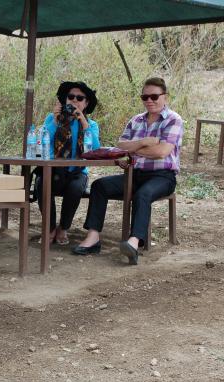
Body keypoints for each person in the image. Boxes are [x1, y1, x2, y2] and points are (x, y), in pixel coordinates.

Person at [72, 77, 183, 265]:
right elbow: (121, 145)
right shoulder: (136, 120)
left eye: (154, 96)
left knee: (143, 194)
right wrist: (144, 142)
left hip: (162, 176)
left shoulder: (173, 119)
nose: (150, 100)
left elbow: (161, 152)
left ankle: (133, 243)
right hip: (134, 174)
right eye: (145, 97)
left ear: (165, 97)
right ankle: (93, 237)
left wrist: (132, 150)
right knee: (99, 186)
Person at [35, 81, 101, 245]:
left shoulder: (91, 125)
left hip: (77, 172)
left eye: (80, 98)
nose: (74, 101)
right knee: (41, 183)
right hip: (54, 171)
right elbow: (42, 145)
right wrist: (56, 121)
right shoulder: (52, 119)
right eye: (70, 97)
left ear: (86, 104)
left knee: (75, 188)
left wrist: (83, 122)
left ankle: (63, 228)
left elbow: (95, 150)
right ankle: (50, 228)